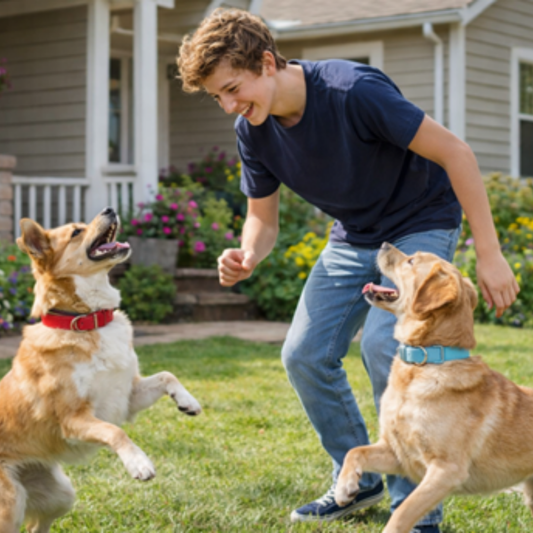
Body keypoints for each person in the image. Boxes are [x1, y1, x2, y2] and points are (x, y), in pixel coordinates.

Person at [177, 8, 519, 532]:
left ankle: (417, 512)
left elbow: (456, 153)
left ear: (266, 62)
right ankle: (355, 479)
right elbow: (260, 221)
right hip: (353, 235)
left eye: (232, 88)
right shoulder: (254, 130)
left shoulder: (351, 90)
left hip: (418, 221)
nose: (228, 105)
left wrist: (490, 254)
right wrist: (248, 254)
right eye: (217, 97)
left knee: (385, 343)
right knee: (303, 354)